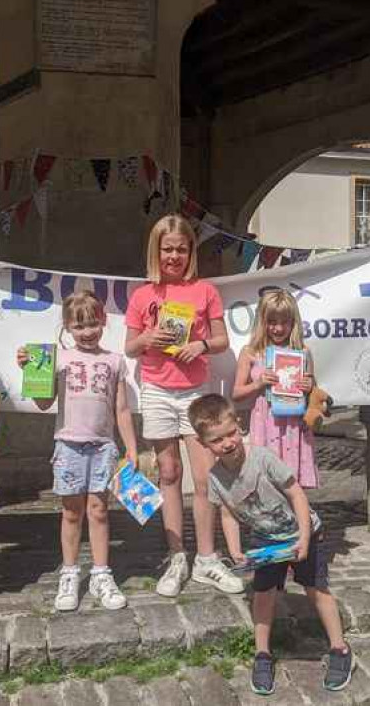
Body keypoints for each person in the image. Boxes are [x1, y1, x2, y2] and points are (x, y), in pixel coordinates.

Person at [188, 394, 354, 696]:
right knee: (263, 595)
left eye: (230, 434)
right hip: (266, 542)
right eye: (216, 440)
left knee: (317, 590)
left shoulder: (262, 458)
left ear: (239, 426)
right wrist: (235, 549)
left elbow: (296, 494)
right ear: (203, 443)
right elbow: (227, 513)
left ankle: (340, 649)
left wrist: (304, 536)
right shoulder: (215, 479)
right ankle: (262, 654)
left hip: (303, 533)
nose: (227, 443)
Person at [124, 214, 243, 597]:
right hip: (157, 389)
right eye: (167, 248)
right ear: (156, 251)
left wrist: (202, 345)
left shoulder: (205, 290)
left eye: (181, 248)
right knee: (169, 474)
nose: (174, 255)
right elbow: (129, 347)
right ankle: (178, 557)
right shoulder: (143, 295)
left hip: (195, 392)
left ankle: (207, 559)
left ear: (191, 251)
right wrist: (148, 337)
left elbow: (222, 339)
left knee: (205, 477)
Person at [18, 290, 139, 612]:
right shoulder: (57, 359)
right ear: (67, 328)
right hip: (68, 444)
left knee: (99, 511)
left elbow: (122, 409)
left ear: (103, 322)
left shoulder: (115, 361)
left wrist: (132, 449)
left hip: (103, 447)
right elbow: (43, 402)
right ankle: (70, 574)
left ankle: (101, 574)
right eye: (79, 326)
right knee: (71, 512)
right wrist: (30, 370)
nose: (87, 332)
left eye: (92, 324)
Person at [232, 289, 318, 488]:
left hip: (295, 425)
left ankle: (300, 519)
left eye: (284, 322)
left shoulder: (303, 351)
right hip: (264, 423)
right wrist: (258, 383)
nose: (278, 328)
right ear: (262, 322)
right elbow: (236, 393)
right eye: (272, 322)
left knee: (294, 485)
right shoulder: (250, 353)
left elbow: (314, 395)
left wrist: (310, 385)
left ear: (293, 322)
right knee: (266, 482)